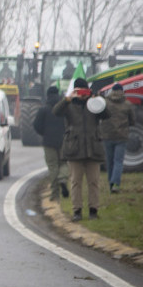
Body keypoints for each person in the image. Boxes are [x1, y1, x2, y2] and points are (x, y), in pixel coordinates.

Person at [54, 78, 104, 221]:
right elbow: (56, 111)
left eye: (84, 91)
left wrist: (97, 100)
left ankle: (93, 210)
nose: (82, 94)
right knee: (76, 182)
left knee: (93, 182)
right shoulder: (69, 105)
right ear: (74, 91)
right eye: (79, 91)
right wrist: (68, 99)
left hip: (93, 148)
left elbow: (106, 115)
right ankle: (77, 210)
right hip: (75, 149)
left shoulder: (93, 104)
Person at [32, 85, 69, 201]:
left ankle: (55, 194)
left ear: (47, 95)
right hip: (63, 140)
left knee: (52, 166)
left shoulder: (43, 109)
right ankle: (63, 179)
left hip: (48, 142)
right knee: (63, 163)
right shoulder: (64, 108)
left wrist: (44, 133)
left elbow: (36, 125)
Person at [100, 83, 136, 194]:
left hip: (107, 136)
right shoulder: (127, 104)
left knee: (109, 161)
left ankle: (111, 184)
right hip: (121, 136)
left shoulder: (105, 103)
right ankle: (116, 183)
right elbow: (133, 121)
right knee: (118, 161)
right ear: (122, 91)